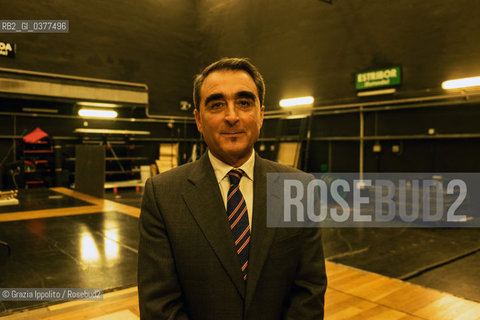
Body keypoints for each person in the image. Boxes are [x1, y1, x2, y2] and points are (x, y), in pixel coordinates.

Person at [138, 58, 327, 319]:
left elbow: (309, 290)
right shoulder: (162, 195)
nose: (231, 116)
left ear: (261, 114)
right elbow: (159, 305)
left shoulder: (299, 188)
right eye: (217, 105)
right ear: (198, 119)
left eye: (244, 102)